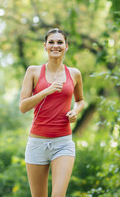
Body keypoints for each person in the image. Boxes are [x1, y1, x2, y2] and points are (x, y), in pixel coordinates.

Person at [19, 28, 84, 197]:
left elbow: (80, 100)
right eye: (51, 42)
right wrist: (45, 91)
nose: (56, 46)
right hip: (37, 144)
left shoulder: (74, 74)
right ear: (45, 46)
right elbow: (23, 107)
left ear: (66, 46)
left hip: (63, 143)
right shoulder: (33, 72)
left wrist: (75, 111)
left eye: (60, 42)